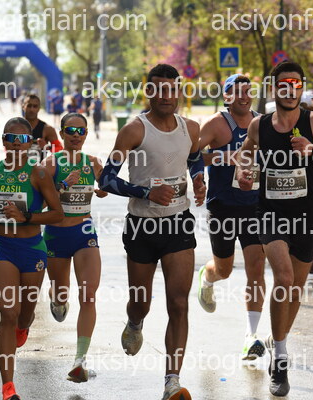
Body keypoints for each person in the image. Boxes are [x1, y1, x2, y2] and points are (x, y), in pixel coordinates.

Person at [236, 61, 313, 396]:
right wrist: (242, 175)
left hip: (305, 217)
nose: (289, 89)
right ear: (274, 88)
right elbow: (244, 157)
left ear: (301, 87)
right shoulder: (259, 125)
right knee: (282, 278)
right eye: (283, 84)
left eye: (295, 84)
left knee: (295, 288)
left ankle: (277, 337)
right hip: (271, 213)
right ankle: (280, 359)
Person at [98, 63, 206, 400]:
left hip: (178, 222)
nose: (166, 96)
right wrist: (146, 192)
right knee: (140, 302)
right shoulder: (134, 130)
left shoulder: (191, 128)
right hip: (142, 226)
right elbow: (107, 179)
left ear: (179, 92)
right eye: (159, 89)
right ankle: (135, 322)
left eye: (171, 89)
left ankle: (172, 380)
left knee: (179, 302)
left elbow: (195, 158)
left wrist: (199, 179)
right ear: (149, 92)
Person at [0, 117, 64, 400]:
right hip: (2, 248)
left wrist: (26, 216)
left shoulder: (39, 174)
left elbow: (57, 213)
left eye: (22, 139)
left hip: (32, 249)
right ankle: (8, 387)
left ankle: (24, 326)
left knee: (24, 315)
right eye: (11, 138)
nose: (16, 144)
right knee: (8, 313)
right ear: (4, 140)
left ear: (30, 143)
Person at [196, 73, 267, 361]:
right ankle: (207, 277)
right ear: (227, 96)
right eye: (238, 92)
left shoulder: (262, 122)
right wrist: (223, 157)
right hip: (223, 206)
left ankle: (251, 336)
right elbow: (190, 155)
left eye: (248, 91)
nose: (244, 96)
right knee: (224, 269)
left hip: (255, 206)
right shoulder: (216, 124)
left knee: (256, 267)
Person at [42, 113, 108, 382]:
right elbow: (40, 202)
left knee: (88, 295)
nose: (76, 136)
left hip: (84, 233)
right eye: (71, 130)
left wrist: (104, 186)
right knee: (61, 293)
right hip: (56, 234)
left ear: (87, 134)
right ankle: (57, 299)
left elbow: (108, 185)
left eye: (81, 131)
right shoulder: (50, 163)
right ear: (62, 133)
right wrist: (63, 184)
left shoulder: (92, 162)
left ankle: (79, 360)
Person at [22, 94, 63, 160]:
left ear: (39, 108)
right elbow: (7, 149)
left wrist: (47, 147)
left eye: (35, 106)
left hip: (39, 166)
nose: (32, 109)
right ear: (23, 106)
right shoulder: (14, 127)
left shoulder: (47, 129)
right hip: (18, 166)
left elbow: (60, 151)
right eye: (29, 106)